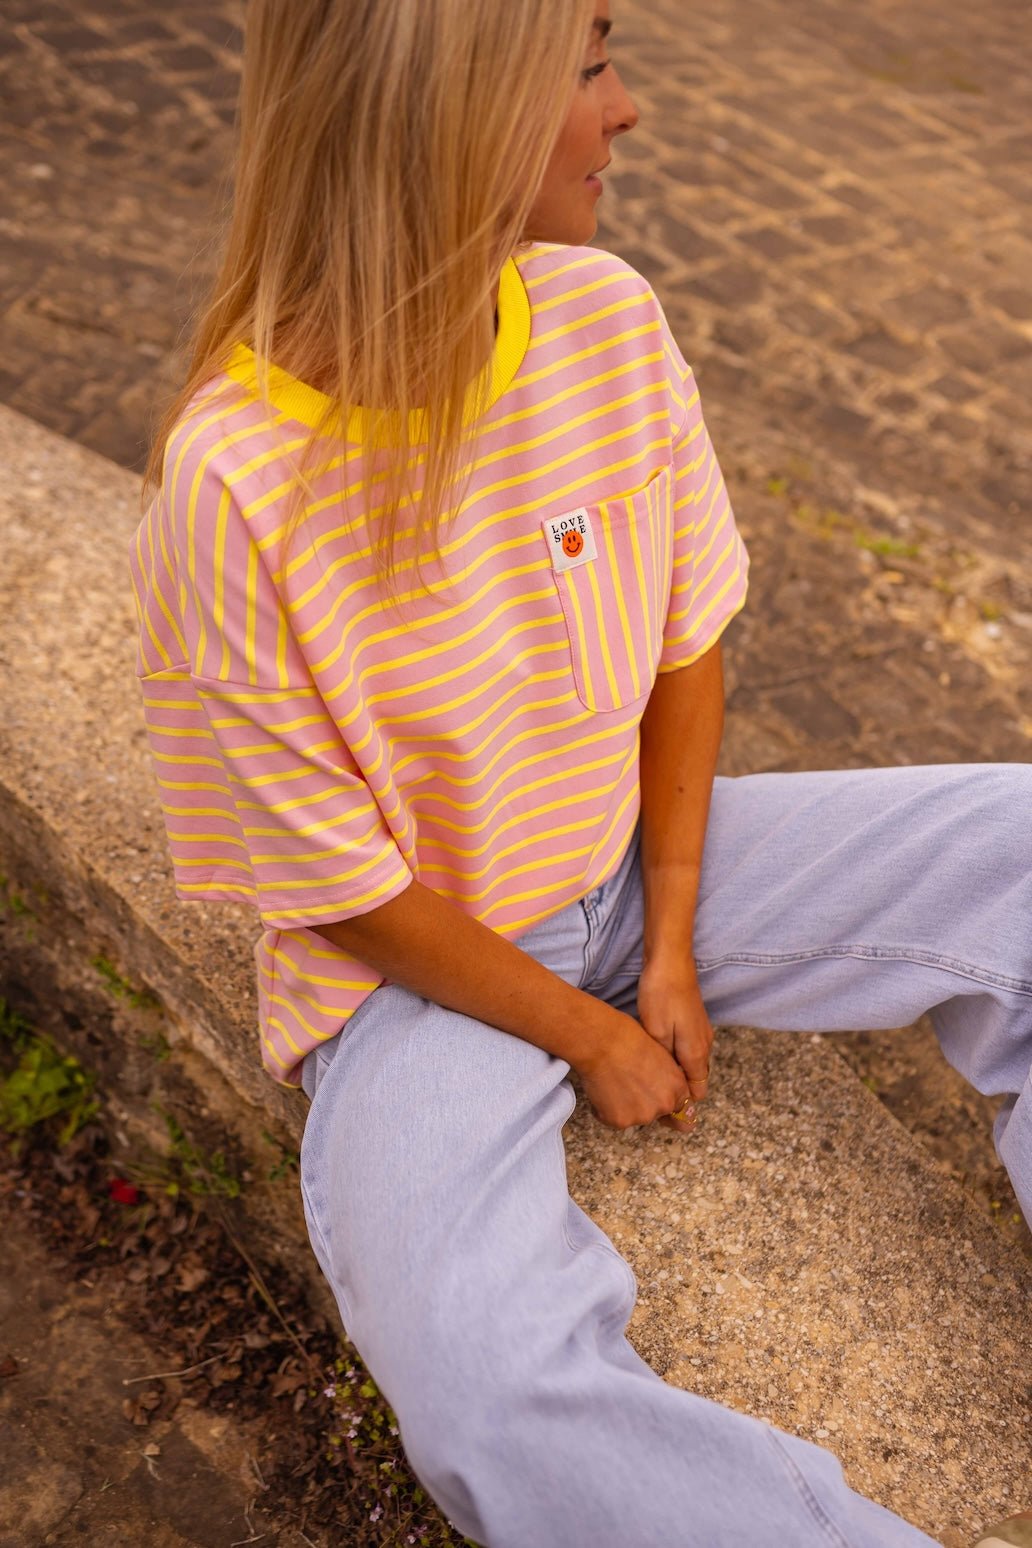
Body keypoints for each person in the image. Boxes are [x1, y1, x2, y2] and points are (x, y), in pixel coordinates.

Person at [128, 2, 1032, 1544]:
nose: (631, 113)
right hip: (414, 985)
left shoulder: (606, 317)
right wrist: (585, 1035)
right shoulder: (231, 486)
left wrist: (667, 944)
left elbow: (684, 650)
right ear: (452, 118)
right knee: (480, 1382)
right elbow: (335, 890)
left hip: (629, 873)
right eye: (593, 64)